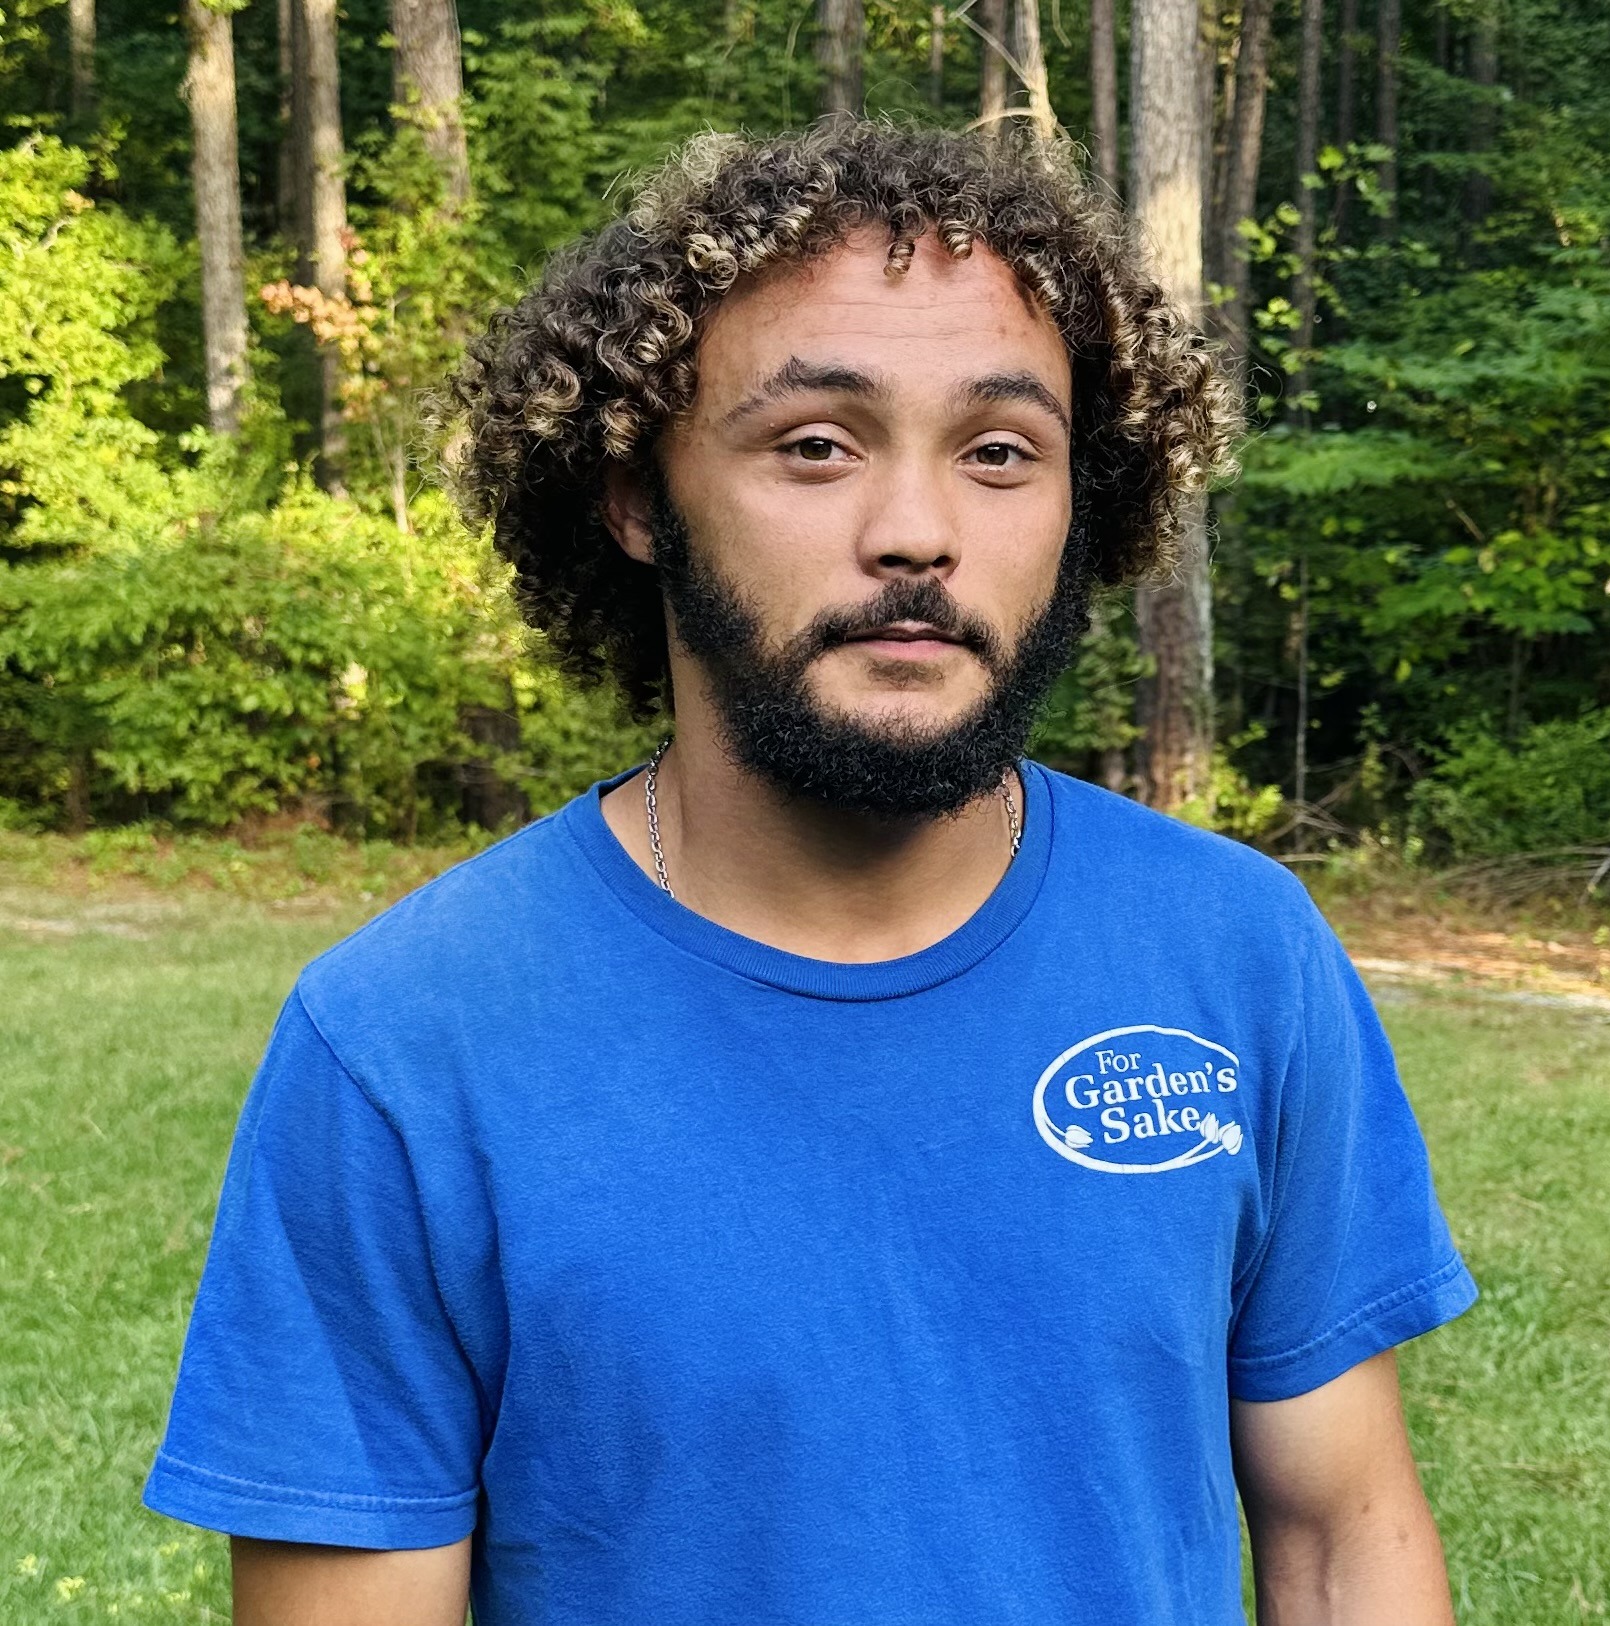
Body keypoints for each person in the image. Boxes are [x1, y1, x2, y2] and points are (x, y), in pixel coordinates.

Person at [144, 121, 1476, 1626]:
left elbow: (1338, 1532)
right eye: (815, 444)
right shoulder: (401, 1045)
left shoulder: (1237, 953)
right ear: (637, 496)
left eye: (996, 452)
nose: (914, 532)